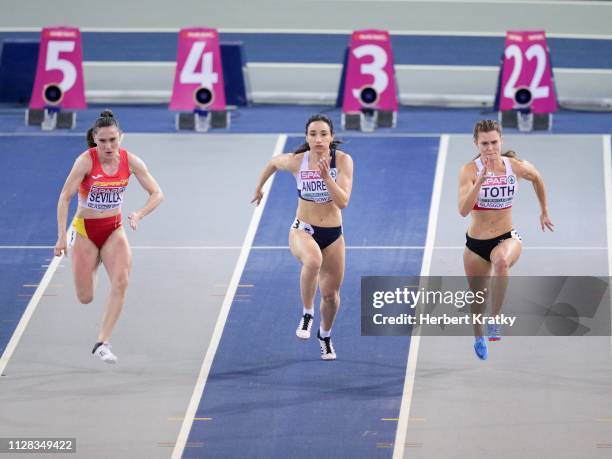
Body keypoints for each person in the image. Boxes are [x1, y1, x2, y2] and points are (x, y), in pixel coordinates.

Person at [54, 110, 164, 363]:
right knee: (86, 297)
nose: (108, 146)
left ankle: (101, 342)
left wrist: (138, 214)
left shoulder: (131, 161)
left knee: (121, 281)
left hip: (114, 229)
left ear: (121, 138)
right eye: (102, 141)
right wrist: (61, 236)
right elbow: (64, 198)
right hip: (85, 232)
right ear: (94, 140)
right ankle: (94, 260)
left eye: (112, 140)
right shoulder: (85, 161)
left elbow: (157, 193)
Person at [251, 114, 353, 360]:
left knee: (331, 296)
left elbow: (343, 202)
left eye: (323, 134)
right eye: (313, 134)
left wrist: (326, 177)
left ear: (331, 137)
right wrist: (259, 187)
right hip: (303, 229)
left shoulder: (343, 161)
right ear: (307, 138)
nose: (318, 139)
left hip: (333, 234)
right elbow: (274, 163)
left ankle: (325, 335)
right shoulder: (298, 162)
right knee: (313, 261)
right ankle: (307, 313)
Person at [458, 119, 554, 360]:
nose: (490, 148)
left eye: (494, 142)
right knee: (478, 299)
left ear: (502, 141)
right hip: (475, 244)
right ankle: (479, 335)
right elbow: (463, 210)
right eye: (484, 144)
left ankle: (496, 318)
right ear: (476, 144)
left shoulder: (515, 167)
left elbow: (537, 178)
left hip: (507, 237)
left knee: (501, 261)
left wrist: (544, 211)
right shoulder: (469, 171)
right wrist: (479, 182)